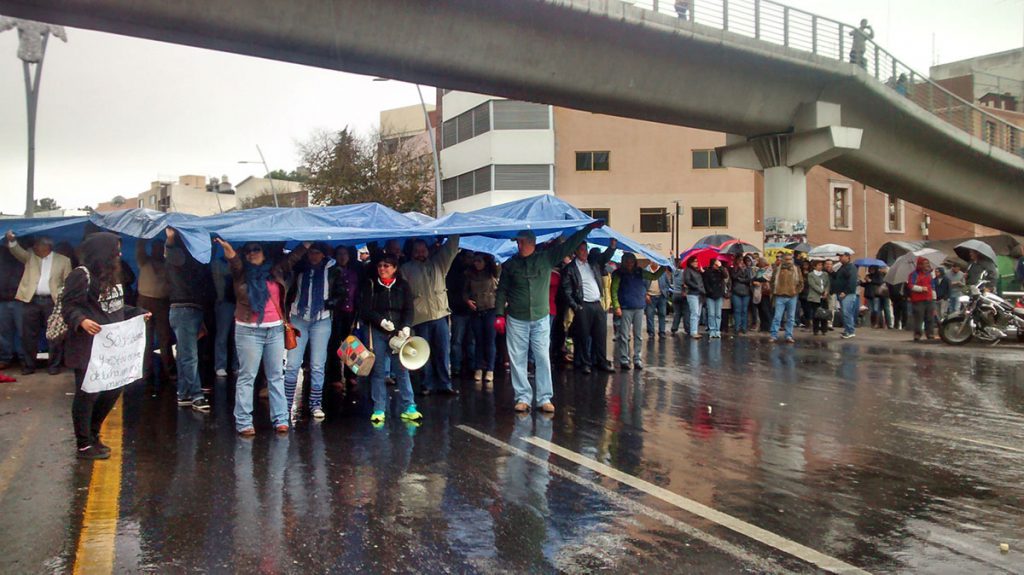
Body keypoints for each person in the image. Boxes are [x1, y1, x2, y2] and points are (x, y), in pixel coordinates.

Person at [62, 232, 149, 459]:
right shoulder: (81, 276)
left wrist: (138, 313)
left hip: (111, 349)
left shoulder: (112, 276)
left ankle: (93, 434)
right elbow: (68, 307)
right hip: (87, 346)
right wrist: (81, 320)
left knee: (113, 389)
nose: (119, 254)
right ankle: (83, 444)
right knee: (88, 394)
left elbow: (116, 308)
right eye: (115, 250)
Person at [496, 225, 596, 413]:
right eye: (517, 242)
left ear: (531, 243)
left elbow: (569, 246)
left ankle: (544, 398)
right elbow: (502, 290)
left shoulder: (546, 258)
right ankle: (523, 397)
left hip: (541, 317)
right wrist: (499, 314)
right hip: (517, 318)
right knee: (518, 359)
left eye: (521, 242)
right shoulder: (510, 265)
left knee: (542, 357)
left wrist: (586, 230)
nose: (518, 245)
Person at [217, 238, 307, 435]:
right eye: (248, 250)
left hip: (274, 329)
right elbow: (234, 262)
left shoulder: (275, 269)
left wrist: (306, 243)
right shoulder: (241, 273)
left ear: (264, 252)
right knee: (247, 376)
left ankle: (281, 420)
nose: (252, 253)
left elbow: (292, 259)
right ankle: (244, 422)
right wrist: (229, 251)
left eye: (256, 249)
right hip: (248, 330)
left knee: (275, 375)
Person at [360, 253, 421, 425]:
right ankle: (379, 408)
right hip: (378, 332)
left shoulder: (403, 286)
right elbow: (365, 309)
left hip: (398, 333)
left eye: (387, 266)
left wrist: (406, 326)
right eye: (380, 265)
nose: (382, 269)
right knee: (378, 370)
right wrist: (380, 321)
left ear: (395, 268)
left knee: (402, 368)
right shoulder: (371, 285)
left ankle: (409, 406)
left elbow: (409, 309)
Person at [400, 235, 460, 396]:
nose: (421, 253)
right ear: (412, 252)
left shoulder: (439, 264)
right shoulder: (405, 269)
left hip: (440, 315)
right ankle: (427, 384)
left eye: (423, 250)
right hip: (419, 318)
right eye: (417, 251)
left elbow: (451, 249)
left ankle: (445, 384)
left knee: (442, 351)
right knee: (423, 353)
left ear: (428, 250)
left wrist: (454, 233)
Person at [5, 231, 71, 375]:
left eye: (37, 245)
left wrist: (63, 300)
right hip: (31, 301)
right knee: (28, 335)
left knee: (54, 335)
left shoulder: (63, 260)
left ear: (46, 246)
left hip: (52, 302)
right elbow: (17, 251)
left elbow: (67, 282)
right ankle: (29, 365)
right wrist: (12, 240)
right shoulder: (30, 257)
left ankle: (54, 365)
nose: (34, 247)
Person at [283, 242, 335, 420]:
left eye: (317, 253)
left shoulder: (332, 269)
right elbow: (288, 274)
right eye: (311, 253)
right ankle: (286, 404)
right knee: (292, 364)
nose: (314, 256)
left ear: (323, 255)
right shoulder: (299, 268)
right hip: (298, 317)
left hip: (322, 318)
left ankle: (315, 403)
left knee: (318, 365)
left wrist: (333, 301)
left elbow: (341, 290)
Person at [164, 228, 213, 411]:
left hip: (187, 309)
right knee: (190, 356)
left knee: (186, 355)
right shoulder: (180, 256)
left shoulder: (188, 258)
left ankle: (183, 393)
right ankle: (196, 395)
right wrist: (170, 239)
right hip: (184, 309)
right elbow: (170, 251)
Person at [562, 238, 617, 373]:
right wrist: (575, 306)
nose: (585, 252)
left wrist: (612, 247)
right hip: (583, 304)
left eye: (585, 249)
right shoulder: (570, 268)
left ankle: (601, 361)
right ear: (575, 252)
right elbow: (566, 290)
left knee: (600, 334)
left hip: (597, 303)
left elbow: (605, 257)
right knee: (583, 335)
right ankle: (585, 363)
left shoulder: (593, 264)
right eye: (581, 250)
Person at [611, 253, 665, 370]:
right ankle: (624, 359)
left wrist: (664, 267)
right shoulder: (619, 274)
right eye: (627, 262)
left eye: (632, 261)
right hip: (625, 307)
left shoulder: (640, 272)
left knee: (638, 335)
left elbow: (654, 276)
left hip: (638, 306)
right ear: (624, 262)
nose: (630, 264)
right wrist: (616, 306)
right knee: (624, 335)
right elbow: (614, 290)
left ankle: (637, 358)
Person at [136, 238, 175, 384]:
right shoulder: (144, 261)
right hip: (146, 302)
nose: (157, 250)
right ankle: (146, 371)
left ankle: (168, 371)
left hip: (161, 302)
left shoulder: (168, 264)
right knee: (146, 339)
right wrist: (142, 236)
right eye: (155, 247)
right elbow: (139, 248)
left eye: (160, 248)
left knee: (164, 338)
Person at [325, 246, 361, 387]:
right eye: (339, 254)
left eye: (345, 254)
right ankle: (335, 377)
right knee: (334, 344)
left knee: (351, 344)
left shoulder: (354, 272)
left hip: (351, 311)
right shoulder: (331, 271)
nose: (342, 257)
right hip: (336, 312)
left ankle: (351, 374)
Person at [463, 252, 499, 385]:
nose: (476, 263)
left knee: (490, 340)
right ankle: (478, 367)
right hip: (476, 310)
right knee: (478, 340)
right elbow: (465, 292)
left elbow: (499, 287)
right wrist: (467, 301)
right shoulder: (469, 274)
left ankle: (490, 369)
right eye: (475, 261)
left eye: (479, 261)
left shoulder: (492, 273)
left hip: (490, 309)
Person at [447, 249, 475, 377]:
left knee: (468, 340)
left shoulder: (470, 272)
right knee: (458, 341)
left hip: (470, 310)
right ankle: (458, 366)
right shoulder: (456, 273)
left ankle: (469, 365)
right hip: (459, 310)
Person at [211, 251, 238, 378]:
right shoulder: (218, 263)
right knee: (222, 335)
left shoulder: (240, 263)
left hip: (238, 303)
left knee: (237, 336)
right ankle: (220, 365)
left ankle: (236, 365)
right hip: (224, 302)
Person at [0, 242, 26, 371]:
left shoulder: (23, 254)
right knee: (4, 333)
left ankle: (24, 359)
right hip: (2, 300)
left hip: (19, 299)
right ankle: (5, 358)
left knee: (23, 332)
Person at [770, 253, 804, 343]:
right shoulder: (777, 269)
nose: (789, 261)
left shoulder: (796, 269)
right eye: (787, 259)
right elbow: (772, 281)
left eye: (790, 259)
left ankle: (789, 335)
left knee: (791, 318)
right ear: (783, 259)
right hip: (780, 296)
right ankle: (774, 335)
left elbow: (801, 282)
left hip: (792, 297)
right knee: (777, 317)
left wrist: (795, 291)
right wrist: (775, 291)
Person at [832, 251, 859, 339]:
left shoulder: (851, 267)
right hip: (841, 293)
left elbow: (852, 281)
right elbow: (838, 277)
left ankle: (850, 331)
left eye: (841, 256)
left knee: (847, 313)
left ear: (847, 257)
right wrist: (831, 272)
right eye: (839, 256)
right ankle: (847, 329)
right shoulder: (842, 267)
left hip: (848, 294)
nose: (840, 258)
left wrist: (846, 292)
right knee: (844, 312)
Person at [907, 257, 935, 341]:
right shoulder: (914, 274)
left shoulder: (930, 274)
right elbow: (910, 286)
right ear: (920, 265)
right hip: (918, 300)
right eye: (925, 263)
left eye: (927, 263)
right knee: (919, 318)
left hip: (929, 299)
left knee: (930, 318)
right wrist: (922, 289)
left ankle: (930, 334)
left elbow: (932, 287)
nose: (927, 265)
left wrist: (933, 297)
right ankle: (917, 334)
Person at [702, 259, 728, 339]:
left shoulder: (720, 272)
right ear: (712, 265)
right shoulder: (707, 272)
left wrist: (720, 267)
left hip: (719, 295)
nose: (717, 266)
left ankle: (717, 330)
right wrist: (710, 291)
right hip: (710, 295)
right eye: (715, 265)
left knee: (718, 314)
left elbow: (726, 275)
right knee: (711, 314)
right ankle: (712, 330)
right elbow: (705, 283)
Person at [644, 262, 670, 337]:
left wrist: (665, 292)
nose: (654, 262)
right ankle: (651, 332)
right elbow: (642, 284)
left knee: (662, 314)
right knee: (649, 315)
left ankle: (662, 332)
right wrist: (646, 294)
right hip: (650, 296)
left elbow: (667, 283)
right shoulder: (646, 271)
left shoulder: (662, 271)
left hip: (661, 296)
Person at [683, 256, 705, 339]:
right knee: (694, 312)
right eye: (694, 261)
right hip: (692, 293)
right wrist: (696, 287)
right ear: (691, 262)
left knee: (698, 313)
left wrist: (702, 272)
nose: (696, 262)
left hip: (700, 294)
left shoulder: (697, 271)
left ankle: (695, 329)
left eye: (697, 261)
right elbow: (687, 281)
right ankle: (693, 331)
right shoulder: (687, 270)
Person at [806, 260, 831, 335]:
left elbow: (827, 284)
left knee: (824, 313)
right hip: (815, 297)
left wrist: (826, 292)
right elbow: (813, 285)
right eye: (819, 265)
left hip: (824, 297)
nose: (820, 266)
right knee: (816, 314)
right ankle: (815, 329)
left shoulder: (825, 274)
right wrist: (822, 291)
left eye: (821, 265)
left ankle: (824, 329)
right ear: (814, 266)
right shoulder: (811, 275)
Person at [730, 256, 753, 335]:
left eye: (742, 261)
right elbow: (734, 277)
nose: (741, 262)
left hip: (746, 292)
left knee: (744, 310)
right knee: (737, 310)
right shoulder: (734, 269)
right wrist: (739, 270)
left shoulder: (748, 269)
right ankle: (737, 327)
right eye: (739, 260)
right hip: (736, 292)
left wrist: (740, 279)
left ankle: (744, 328)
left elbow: (749, 279)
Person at [751, 257, 773, 332]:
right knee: (760, 310)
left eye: (759, 262)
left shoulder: (769, 269)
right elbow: (753, 278)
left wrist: (755, 280)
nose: (758, 264)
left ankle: (769, 326)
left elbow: (764, 278)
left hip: (765, 292)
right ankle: (763, 327)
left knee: (766, 310)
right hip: (758, 293)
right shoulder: (758, 270)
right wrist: (754, 280)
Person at [670, 256, 687, 335]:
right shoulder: (685, 272)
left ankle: (674, 328)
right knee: (686, 312)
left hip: (675, 294)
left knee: (677, 313)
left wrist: (672, 256)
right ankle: (687, 328)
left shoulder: (674, 272)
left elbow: (671, 264)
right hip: (683, 294)